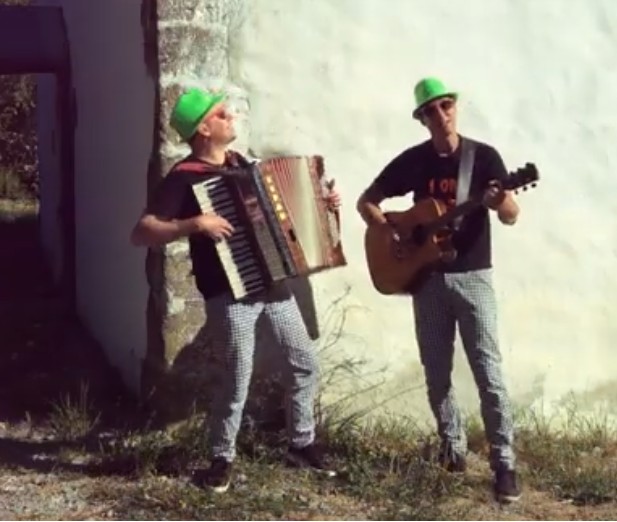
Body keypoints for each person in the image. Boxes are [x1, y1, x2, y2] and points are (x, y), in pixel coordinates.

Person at [130, 87, 341, 493]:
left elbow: (286, 216)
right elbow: (142, 232)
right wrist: (194, 224)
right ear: (203, 129)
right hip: (230, 293)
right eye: (222, 115)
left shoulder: (244, 166)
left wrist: (324, 201)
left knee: (303, 362)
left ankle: (301, 444)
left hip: (272, 284)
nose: (231, 118)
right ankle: (221, 458)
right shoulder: (184, 178)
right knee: (237, 376)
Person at [356, 77, 522, 503]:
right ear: (421, 118)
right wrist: (391, 231)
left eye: (446, 105)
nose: (440, 115)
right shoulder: (414, 161)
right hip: (427, 281)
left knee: (488, 370)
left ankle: (504, 462)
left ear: (455, 108)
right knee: (436, 372)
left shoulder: (483, 158)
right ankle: (453, 449)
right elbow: (367, 201)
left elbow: (511, 215)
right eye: (430, 110)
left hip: (473, 277)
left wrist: (500, 200)